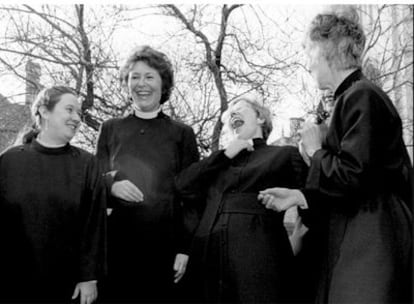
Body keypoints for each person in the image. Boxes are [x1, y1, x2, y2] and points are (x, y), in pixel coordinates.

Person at [259, 6, 413, 304]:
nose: (308, 64)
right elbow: (352, 184)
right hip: (364, 235)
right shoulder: (355, 96)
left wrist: (316, 150)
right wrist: (298, 197)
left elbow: (354, 176)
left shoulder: (362, 94)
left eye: (309, 53)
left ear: (327, 49)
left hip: (371, 242)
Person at [176, 95, 308, 303]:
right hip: (207, 260)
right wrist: (225, 155)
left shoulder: (284, 154)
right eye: (229, 113)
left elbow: (312, 198)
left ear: (261, 119)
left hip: (258, 260)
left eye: (240, 107)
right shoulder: (218, 162)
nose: (233, 112)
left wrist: (299, 240)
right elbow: (183, 186)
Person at [96, 45, 199, 302]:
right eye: (135, 77)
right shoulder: (110, 129)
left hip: (164, 251)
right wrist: (111, 185)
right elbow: (93, 185)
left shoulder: (181, 133)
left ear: (163, 84)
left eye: (149, 76)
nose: (142, 84)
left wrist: (185, 249)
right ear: (126, 83)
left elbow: (192, 196)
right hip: (118, 250)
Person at [0, 86, 107, 304]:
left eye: (79, 113)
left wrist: (89, 277)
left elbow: (94, 225)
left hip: (67, 285)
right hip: (13, 282)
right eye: (69, 110)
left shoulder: (87, 164)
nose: (77, 118)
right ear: (44, 111)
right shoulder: (9, 161)